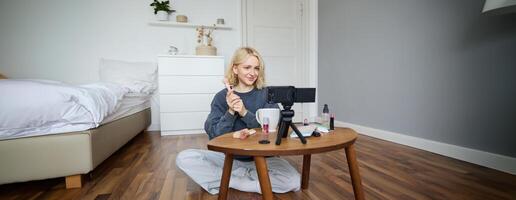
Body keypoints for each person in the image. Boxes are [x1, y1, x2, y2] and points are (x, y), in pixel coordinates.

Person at [176, 47, 301, 194]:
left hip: (264, 159)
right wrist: (230, 112)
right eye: (247, 67)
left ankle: (229, 181)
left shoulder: (267, 94)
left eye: (256, 68)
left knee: (293, 181)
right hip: (229, 158)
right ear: (235, 69)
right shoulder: (221, 97)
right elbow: (214, 136)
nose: (253, 73)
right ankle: (247, 179)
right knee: (184, 158)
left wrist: (243, 112)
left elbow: (273, 131)